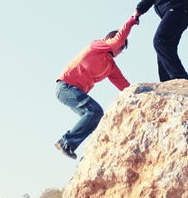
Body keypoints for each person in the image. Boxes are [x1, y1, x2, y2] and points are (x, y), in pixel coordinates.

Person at [54, 15, 138, 159]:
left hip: (76, 92)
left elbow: (124, 85)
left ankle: (87, 159)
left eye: (122, 49)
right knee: (94, 111)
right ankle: (66, 142)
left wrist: (140, 96)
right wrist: (132, 21)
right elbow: (116, 40)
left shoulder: (110, 66)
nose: (119, 50)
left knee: (95, 121)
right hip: (66, 86)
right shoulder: (96, 46)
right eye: (120, 46)